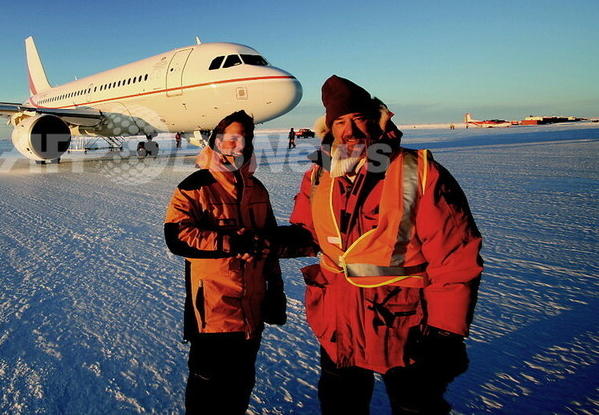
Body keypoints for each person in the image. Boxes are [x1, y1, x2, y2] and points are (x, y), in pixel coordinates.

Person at [288, 75, 483, 415]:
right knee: (340, 406)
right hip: (339, 319)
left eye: (359, 118)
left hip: (403, 325)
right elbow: (307, 231)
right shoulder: (318, 175)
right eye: (340, 122)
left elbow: (454, 257)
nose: (351, 131)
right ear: (330, 129)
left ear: (377, 120)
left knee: (414, 407)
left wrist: (445, 333)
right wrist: (265, 242)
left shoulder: (417, 172)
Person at [164, 110, 288, 414]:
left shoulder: (258, 189)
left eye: (245, 139)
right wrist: (231, 243)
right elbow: (177, 236)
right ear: (216, 142)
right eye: (231, 138)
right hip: (214, 310)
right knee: (207, 387)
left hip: (253, 309)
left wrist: (275, 290)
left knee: (241, 384)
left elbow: (269, 243)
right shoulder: (194, 187)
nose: (239, 146)